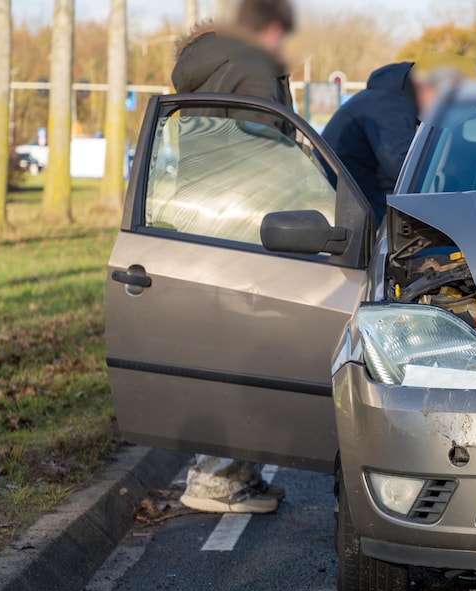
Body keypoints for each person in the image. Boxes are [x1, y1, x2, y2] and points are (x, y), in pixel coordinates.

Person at [170, 0, 295, 514]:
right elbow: (267, 147)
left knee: (220, 350)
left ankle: (235, 471)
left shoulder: (207, 65)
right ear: (268, 28)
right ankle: (217, 480)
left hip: (204, 219)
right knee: (248, 354)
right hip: (247, 220)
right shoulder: (250, 65)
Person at [322, 62, 448, 225]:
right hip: (356, 216)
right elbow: (404, 167)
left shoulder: (380, 99)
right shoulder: (388, 107)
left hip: (349, 204)